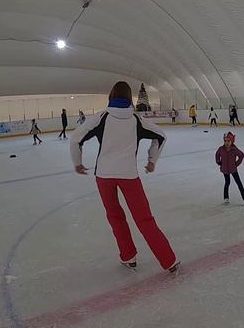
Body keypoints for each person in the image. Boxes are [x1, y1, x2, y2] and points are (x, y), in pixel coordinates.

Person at [70, 81, 179, 273]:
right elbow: (161, 136)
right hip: (129, 175)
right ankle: (168, 260)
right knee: (145, 219)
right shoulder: (136, 120)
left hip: (104, 176)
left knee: (115, 216)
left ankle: (128, 255)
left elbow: (76, 139)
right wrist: (152, 160)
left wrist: (77, 162)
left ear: (111, 95)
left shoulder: (101, 118)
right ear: (130, 98)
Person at [215, 132, 244, 204]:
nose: (226, 143)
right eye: (225, 141)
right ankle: (226, 197)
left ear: (232, 141)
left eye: (228, 141)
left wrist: (236, 164)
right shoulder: (221, 149)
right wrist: (218, 161)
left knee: (238, 182)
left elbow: (241, 155)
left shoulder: (234, 149)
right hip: (225, 169)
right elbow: (217, 154)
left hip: (233, 169)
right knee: (227, 182)